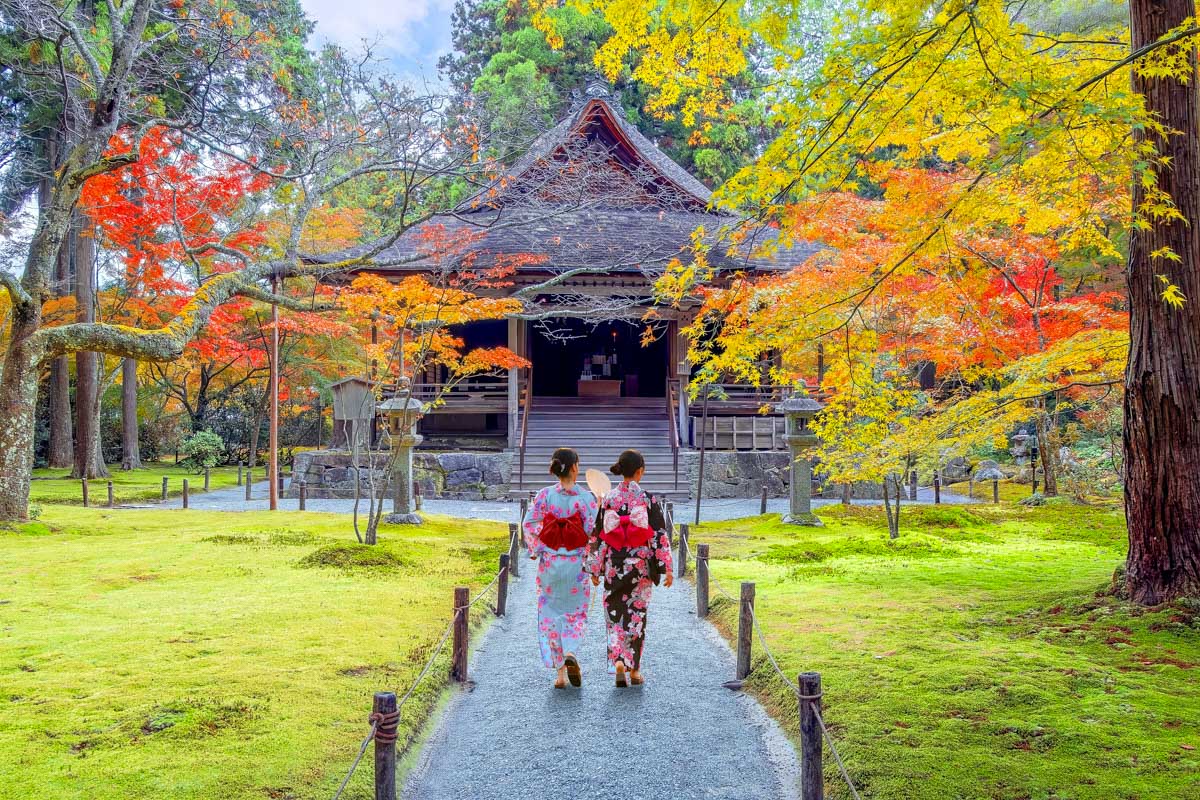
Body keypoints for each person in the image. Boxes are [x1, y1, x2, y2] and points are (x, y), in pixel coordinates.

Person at [590, 449, 673, 687]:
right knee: (637, 614)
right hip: (641, 565)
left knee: (614, 613)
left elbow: (598, 535)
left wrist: (595, 568)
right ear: (640, 472)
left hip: (614, 564)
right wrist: (666, 567)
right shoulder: (648, 499)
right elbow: (659, 535)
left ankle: (618, 660)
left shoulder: (608, 499)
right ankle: (634, 670)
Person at [522, 447, 598, 689]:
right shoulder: (587, 499)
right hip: (576, 565)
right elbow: (595, 535)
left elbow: (530, 523)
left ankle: (560, 675)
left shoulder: (545, 495)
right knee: (575, 614)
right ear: (575, 468)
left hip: (550, 566)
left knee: (550, 616)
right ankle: (572, 650)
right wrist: (595, 567)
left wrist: (537, 549)